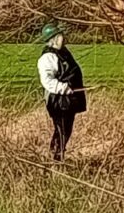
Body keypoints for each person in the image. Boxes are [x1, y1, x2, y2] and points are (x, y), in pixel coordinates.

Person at [37, 22, 87, 162]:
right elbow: (47, 81)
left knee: (66, 129)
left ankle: (57, 156)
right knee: (61, 129)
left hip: (69, 99)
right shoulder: (47, 58)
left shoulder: (64, 53)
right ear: (53, 39)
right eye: (60, 36)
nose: (63, 38)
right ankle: (55, 157)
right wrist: (64, 88)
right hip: (58, 100)